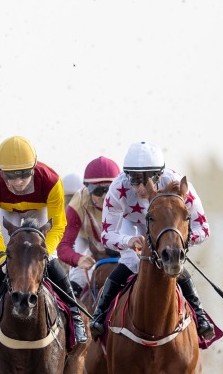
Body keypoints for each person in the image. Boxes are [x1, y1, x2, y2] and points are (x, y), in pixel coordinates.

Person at [87, 141, 215, 340]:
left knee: (174, 263)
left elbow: (204, 229)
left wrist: (178, 241)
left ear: (160, 175)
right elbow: (107, 235)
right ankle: (99, 315)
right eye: (134, 179)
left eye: (146, 179)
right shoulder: (117, 187)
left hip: (166, 229)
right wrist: (127, 241)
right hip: (132, 226)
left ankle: (200, 316)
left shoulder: (177, 182)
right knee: (130, 262)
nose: (140, 187)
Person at [0, 136, 87, 344]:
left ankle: (76, 319)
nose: (18, 182)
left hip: (40, 214)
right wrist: (3, 257)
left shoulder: (51, 181)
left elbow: (59, 226)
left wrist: (44, 254)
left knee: (50, 262)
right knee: (7, 263)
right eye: (10, 176)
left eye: (24, 174)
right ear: (0, 172)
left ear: (34, 167)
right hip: (9, 216)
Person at [58, 156, 122, 298]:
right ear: (87, 189)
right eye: (98, 191)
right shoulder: (78, 202)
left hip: (118, 240)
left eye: (110, 189)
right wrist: (77, 259)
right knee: (78, 274)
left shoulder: (128, 197)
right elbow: (63, 246)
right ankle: (75, 315)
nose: (105, 196)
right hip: (86, 239)